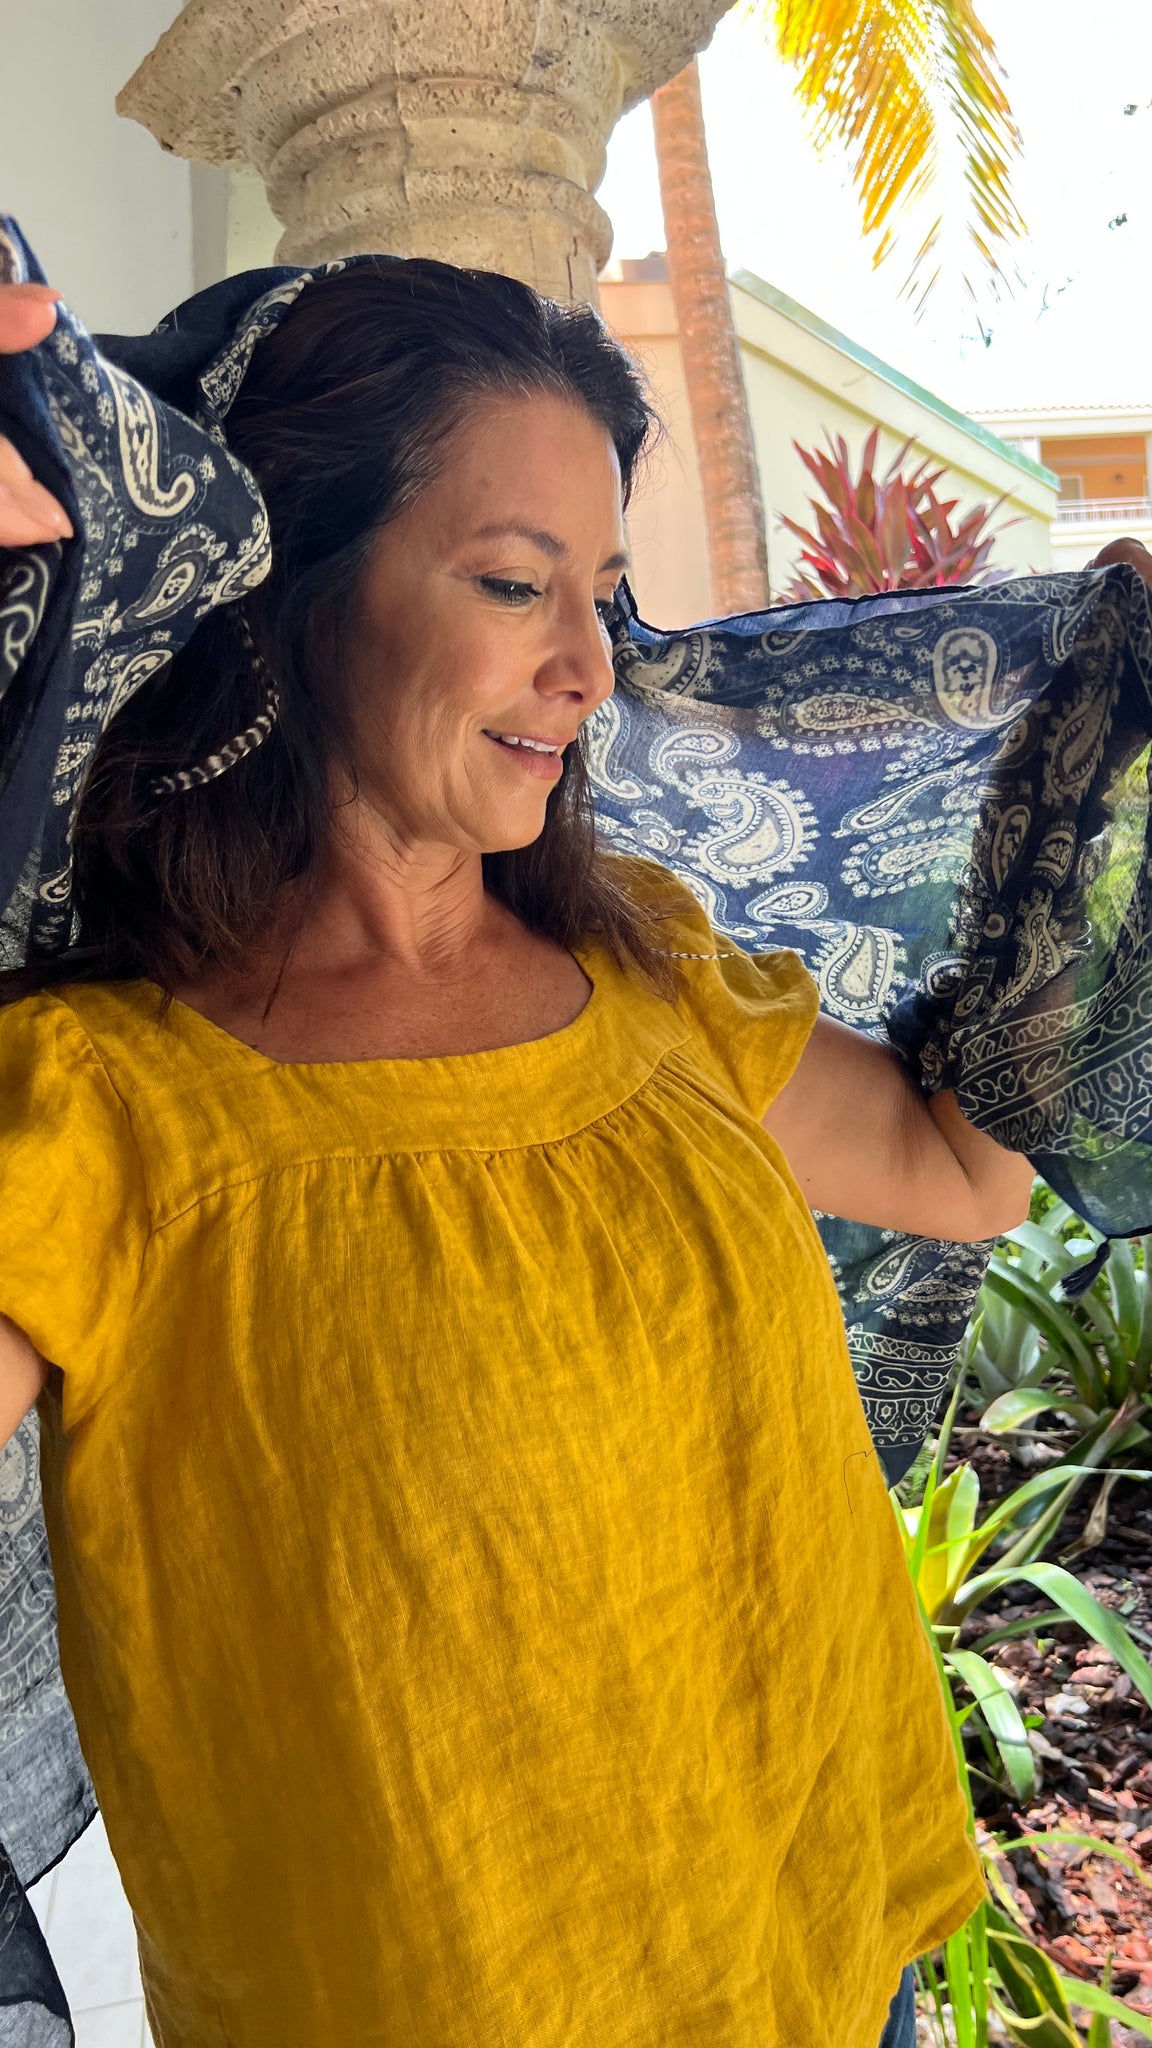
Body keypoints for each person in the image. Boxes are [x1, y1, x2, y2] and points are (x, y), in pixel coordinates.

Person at [0, 264, 1035, 2048]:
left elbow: (966, 1174)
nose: (590, 667)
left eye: (603, 595)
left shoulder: (648, 970)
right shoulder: (103, 1106)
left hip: (822, 1951)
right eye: (511, 583)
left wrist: (1105, 787)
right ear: (288, 594)